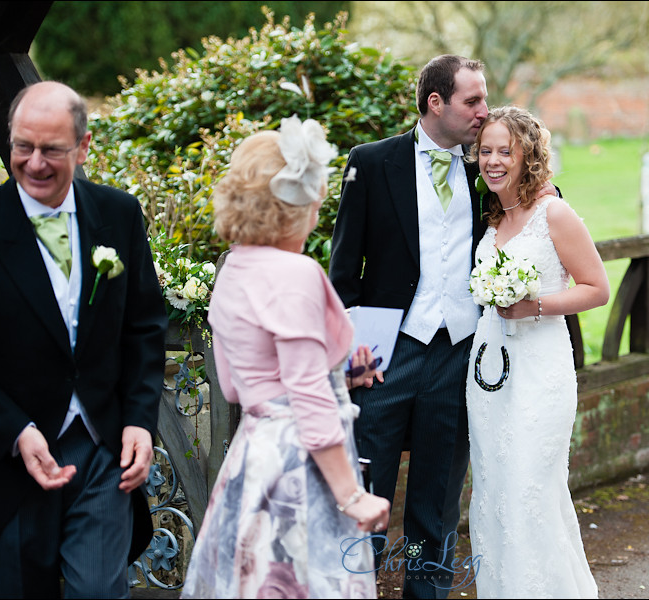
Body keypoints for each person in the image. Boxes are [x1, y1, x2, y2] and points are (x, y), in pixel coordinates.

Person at [0, 81, 168, 597]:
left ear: (83, 146)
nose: (34, 163)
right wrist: (16, 430)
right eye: (22, 147)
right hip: (6, 459)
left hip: (101, 451)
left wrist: (141, 421)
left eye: (51, 149)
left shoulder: (119, 215)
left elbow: (144, 327)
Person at [180, 116, 391, 599]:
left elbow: (238, 386)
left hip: (253, 460)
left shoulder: (231, 268)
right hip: (301, 467)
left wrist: (343, 374)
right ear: (306, 202)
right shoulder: (296, 273)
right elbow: (306, 393)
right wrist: (350, 494)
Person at [328, 54, 491, 598]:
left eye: (484, 100)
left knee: (435, 503)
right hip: (385, 356)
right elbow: (344, 270)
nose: (483, 112)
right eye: (473, 101)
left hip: (458, 355)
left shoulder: (486, 168)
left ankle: (426, 591)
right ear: (435, 103)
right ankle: (355, 589)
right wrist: (356, 352)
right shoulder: (373, 163)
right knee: (365, 498)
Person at [465, 105, 609, 598]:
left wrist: (537, 306)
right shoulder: (491, 214)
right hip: (488, 372)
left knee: (529, 489)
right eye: (486, 150)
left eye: (506, 151)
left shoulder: (554, 213)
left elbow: (597, 288)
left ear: (529, 157)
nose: (493, 160)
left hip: (541, 371)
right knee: (492, 490)